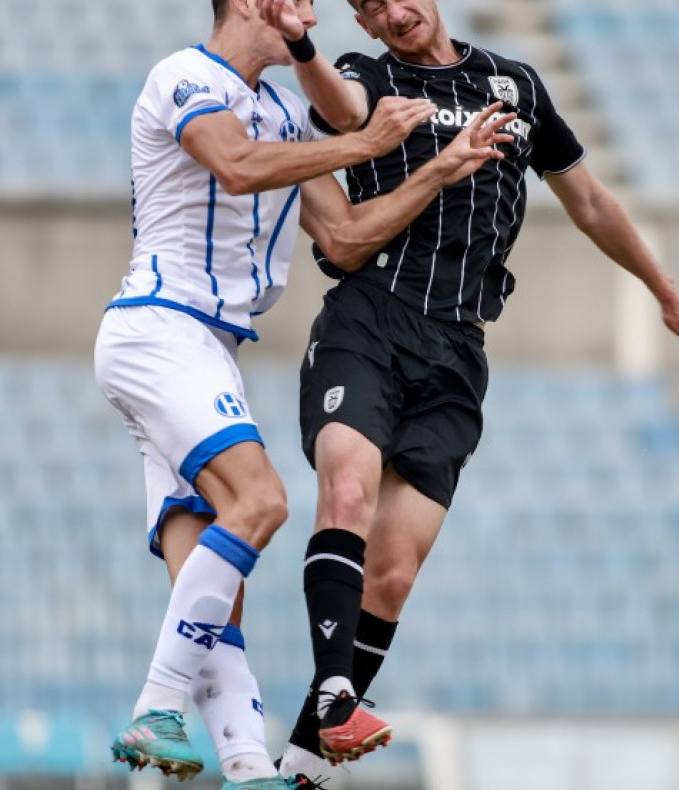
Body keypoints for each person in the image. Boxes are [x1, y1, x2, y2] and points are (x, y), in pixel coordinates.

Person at [257, 0, 679, 780]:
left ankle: (301, 765)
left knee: (396, 574)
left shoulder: (515, 85)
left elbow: (589, 201)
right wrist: (304, 43)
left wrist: (662, 289)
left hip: (457, 352)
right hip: (370, 321)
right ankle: (336, 695)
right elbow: (339, 109)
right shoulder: (368, 76)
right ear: (364, 26)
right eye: (371, 8)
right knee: (346, 494)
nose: (393, 12)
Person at [95, 1, 517, 788]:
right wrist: (363, 141)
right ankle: (157, 706)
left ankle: (250, 767)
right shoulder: (186, 77)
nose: (314, 12)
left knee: (217, 581)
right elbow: (235, 165)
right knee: (262, 503)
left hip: (210, 347)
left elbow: (347, 237)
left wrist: (436, 168)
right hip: (160, 331)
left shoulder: (286, 111)